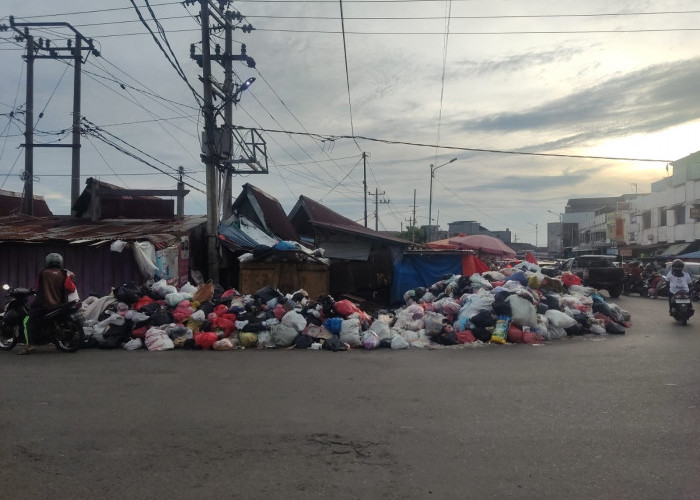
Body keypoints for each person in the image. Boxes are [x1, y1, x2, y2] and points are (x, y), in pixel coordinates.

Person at [19, 253, 76, 355]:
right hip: (60, 305)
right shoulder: (63, 274)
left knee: (29, 322)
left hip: (44, 306)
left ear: (47, 261)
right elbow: (71, 289)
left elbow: (37, 288)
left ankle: (31, 345)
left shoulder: (43, 273)